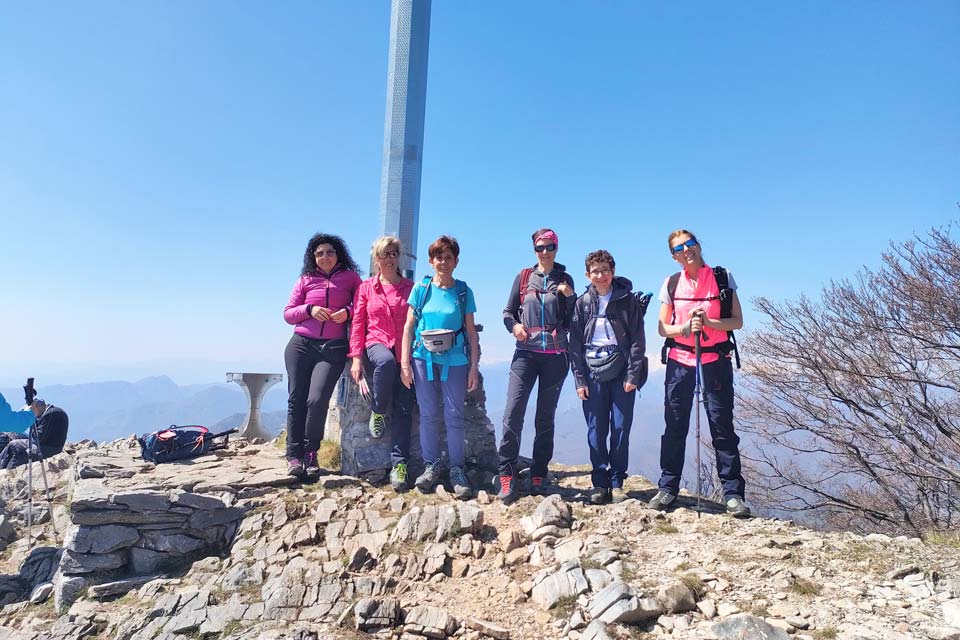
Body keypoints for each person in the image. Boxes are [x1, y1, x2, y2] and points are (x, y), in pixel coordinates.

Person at [648, 229, 750, 518]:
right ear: (673, 256)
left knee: (722, 426)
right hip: (681, 360)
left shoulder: (721, 277)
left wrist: (708, 322)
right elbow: (661, 327)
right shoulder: (671, 283)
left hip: (715, 359)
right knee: (675, 426)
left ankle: (733, 495)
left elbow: (737, 322)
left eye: (690, 244)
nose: (686, 251)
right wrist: (683, 328)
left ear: (698, 245)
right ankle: (668, 488)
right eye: (679, 249)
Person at [497, 228, 576, 501]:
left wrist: (569, 295)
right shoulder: (523, 278)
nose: (545, 252)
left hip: (555, 356)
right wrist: (515, 326)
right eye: (540, 247)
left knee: (545, 416)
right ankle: (506, 473)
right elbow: (507, 312)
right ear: (534, 250)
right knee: (512, 412)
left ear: (557, 248)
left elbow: (574, 317)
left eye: (550, 247)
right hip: (525, 354)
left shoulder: (565, 279)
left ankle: (539, 472)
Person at [400, 235, 480, 500]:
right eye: (438, 257)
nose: (443, 262)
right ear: (430, 261)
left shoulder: (463, 292)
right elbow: (409, 327)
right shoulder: (421, 290)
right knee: (428, 414)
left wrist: (473, 367)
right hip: (423, 359)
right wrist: (404, 364)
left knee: (455, 416)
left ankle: (458, 471)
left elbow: (471, 332)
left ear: (456, 261)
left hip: (455, 360)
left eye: (448, 257)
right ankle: (431, 467)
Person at [568, 250, 647, 505]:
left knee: (621, 427)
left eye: (605, 270)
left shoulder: (627, 300)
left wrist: (633, 375)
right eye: (595, 271)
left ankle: (617, 482)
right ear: (587, 275)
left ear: (613, 271)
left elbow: (637, 340)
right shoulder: (583, 303)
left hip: (622, 370)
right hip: (592, 371)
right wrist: (579, 380)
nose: (600, 276)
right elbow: (575, 345)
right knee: (596, 429)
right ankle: (599, 483)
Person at [283, 233, 362, 481]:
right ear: (313, 257)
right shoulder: (306, 279)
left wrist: (347, 312)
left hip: (333, 347)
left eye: (330, 252)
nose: (325, 256)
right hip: (301, 345)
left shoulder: (350, 278)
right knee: (296, 399)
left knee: (317, 400)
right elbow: (288, 314)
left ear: (338, 254)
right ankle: (294, 456)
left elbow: (362, 305)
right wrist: (310, 309)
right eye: (319, 253)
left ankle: (310, 452)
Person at [349, 235, 416, 491]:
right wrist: (356, 358)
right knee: (386, 363)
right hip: (376, 343)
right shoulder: (366, 288)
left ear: (398, 258)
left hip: (405, 351)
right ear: (376, 259)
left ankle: (400, 466)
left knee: (404, 407)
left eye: (393, 254)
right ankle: (378, 410)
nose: (389, 258)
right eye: (384, 254)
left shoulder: (411, 288)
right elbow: (357, 323)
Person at [0, 398, 69, 469]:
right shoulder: (45, 413)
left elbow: (39, 439)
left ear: (37, 407)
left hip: (48, 448)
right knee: (9, 435)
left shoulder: (51, 413)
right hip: (44, 444)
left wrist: (33, 420)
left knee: (14, 444)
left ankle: (6, 469)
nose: (33, 413)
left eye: (33, 410)